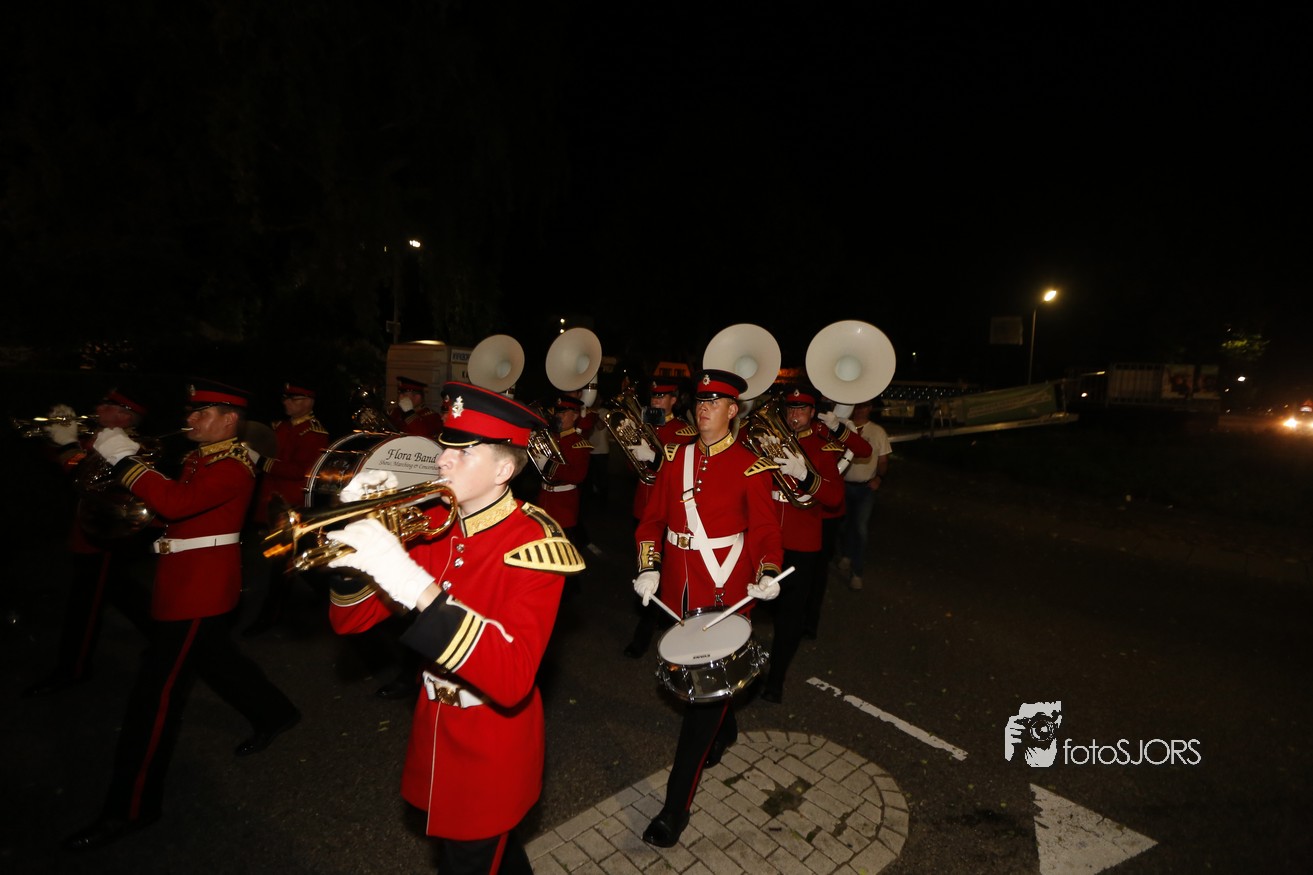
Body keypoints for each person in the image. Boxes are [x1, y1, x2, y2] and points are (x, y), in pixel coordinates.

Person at [324, 381, 584, 874]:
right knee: (482, 857)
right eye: (445, 447)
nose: (442, 460)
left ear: (503, 471)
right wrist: (351, 550)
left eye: (463, 453)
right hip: (434, 725)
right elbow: (351, 620)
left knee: (471, 858)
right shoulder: (433, 523)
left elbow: (512, 677)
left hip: (491, 745)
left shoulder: (534, 544)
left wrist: (409, 581)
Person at [62, 380, 302, 853]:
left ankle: (132, 808)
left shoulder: (234, 464)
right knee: (217, 661)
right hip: (183, 582)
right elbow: (172, 510)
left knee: (152, 702)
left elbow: (178, 503)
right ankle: (275, 712)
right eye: (190, 411)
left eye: (201, 412)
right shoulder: (201, 457)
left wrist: (126, 460)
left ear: (229, 420)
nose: (189, 419)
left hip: (200, 592)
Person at [633, 369, 783, 848]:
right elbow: (652, 521)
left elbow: (765, 532)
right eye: (700, 401)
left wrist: (767, 572)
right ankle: (726, 722)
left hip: (724, 594)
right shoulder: (675, 457)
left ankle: (674, 810)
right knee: (713, 691)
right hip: (677, 591)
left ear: (733, 410)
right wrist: (649, 566)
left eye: (715, 402)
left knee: (699, 707)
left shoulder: (751, 465)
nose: (704, 409)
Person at [24, 388, 155, 696]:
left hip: (103, 537)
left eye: (108, 405)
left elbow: (83, 474)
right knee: (122, 593)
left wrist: (68, 444)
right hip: (88, 532)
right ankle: (165, 636)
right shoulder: (97, 436)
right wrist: (55, 436)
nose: (98, 406)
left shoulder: (131, 445)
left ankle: (73, 670)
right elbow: (60, 461)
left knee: (84, 608)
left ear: (124, 416)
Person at [758, 387, 866, 704]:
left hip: (801, 542)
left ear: (811, 413)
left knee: (790, 614)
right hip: (765, 538)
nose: (794, 416)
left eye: (801, 410)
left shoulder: (820, 444)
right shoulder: (770, 440)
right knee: (756, 605)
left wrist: (804, 474)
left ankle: (776, 679)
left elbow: (834, 496)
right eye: (790, 409)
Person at [243, 381, 330, 636]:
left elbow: (301, 471)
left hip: (291, 506)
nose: (286, 403)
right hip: (272, 502)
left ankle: (270, 616)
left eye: (293, 399)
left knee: (281, 565)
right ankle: (330, 593)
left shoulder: (315, 433)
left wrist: (262, 461)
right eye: (286, 398)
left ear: (308, 403)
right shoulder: (277, 427)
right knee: (299, 559)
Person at [622, 377, 697, 658]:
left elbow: (680, 470)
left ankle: (646, 634)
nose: (655, 401)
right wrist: (633, 450)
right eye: (653, 397)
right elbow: (632, 469)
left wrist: (653, 458)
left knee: (663, 572)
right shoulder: (646, 425)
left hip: (668, 511)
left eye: (661, 397)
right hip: (642, 507)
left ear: (673, 401)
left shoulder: (684, 431)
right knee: (645, 568)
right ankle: (660, 619)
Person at [837, 399, 892, 591]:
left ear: (870, 408)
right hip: (843, 485)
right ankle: (846, 554)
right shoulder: (843, 427)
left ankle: (857, 572)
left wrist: (879, 478)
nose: (860, 410)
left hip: (865, 489)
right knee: (843, 524)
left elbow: (883, 460)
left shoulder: (878, 432)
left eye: (865, 406)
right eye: (858, 406)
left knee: (860, 529)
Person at [530, 395, 593, 554]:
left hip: (564, 506)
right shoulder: (549, 437)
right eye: (557, 412)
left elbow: (578, 476)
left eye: (563, 413)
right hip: (544, 500)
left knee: (562, 553)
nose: (558, 416)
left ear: (575, 416)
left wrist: (548, 465)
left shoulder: (578, 443)